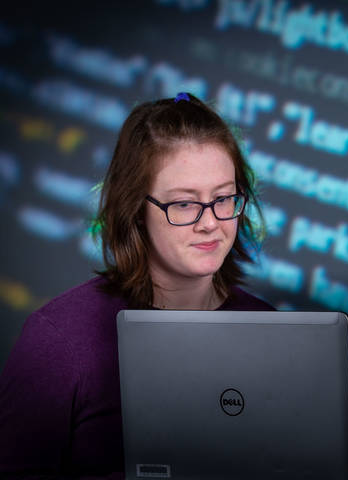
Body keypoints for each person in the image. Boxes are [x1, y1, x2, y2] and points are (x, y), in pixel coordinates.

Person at [0, 92, 274, 478]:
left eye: (224, 198)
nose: (211, 222)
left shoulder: (270, 331)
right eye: (183, 204)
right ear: (136, 211)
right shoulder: (58, 341)